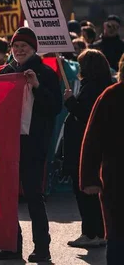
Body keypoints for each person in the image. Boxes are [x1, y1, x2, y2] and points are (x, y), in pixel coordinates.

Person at [0, 27, 62, 263]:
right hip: (8, 144)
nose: (19, 50)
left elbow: (54, 108)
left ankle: (42, 248)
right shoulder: (6, 71)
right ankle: (12, 246)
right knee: (7, 197)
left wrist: (37, 87)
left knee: (34, 197)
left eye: (24, 46)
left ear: (33, 49)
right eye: (15, 46)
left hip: (33, 144)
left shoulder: (46, 73)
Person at [62, 49, 112, 248]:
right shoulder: (102, 86)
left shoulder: (92, 88)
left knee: (84, 191)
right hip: (93, 146)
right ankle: (97, 231)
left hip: (83, 146)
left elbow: (86, 115)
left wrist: (70, 101)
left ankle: (91, 232)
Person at [80, 53, 124, 265]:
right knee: (118, 235)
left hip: (115, 175)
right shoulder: (111, 95)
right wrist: (89, 178)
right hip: (117, 177)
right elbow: (93, 139)